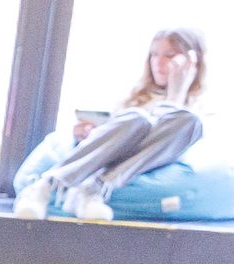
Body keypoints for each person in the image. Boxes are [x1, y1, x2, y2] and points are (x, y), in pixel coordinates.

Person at [17, 28, 209, 221]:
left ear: (192, 62)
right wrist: (90, 133)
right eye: (154, 54)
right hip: (113, 153)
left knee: (188, 122)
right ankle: (48, 185)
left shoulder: (202, 109)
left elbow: (173, 139)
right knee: (137, 118)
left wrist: (177, 92)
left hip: (147, 161)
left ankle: (93, 188)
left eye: (170, 56)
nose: (158, 62)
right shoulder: (134, 100)